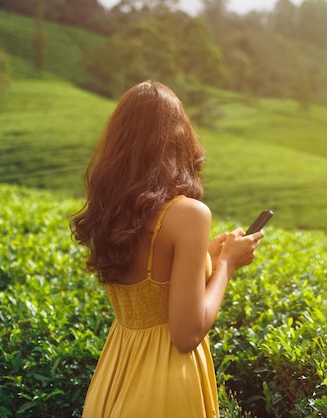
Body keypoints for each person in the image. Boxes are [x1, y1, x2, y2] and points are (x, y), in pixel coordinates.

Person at [71, 80, 265, 417]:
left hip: (114, 378)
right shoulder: (188, 214)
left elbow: (152, 289)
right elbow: (186, 334)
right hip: (164, 388)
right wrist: (227, 267)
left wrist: (206, 256)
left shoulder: (113, 211)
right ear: (178, 139)